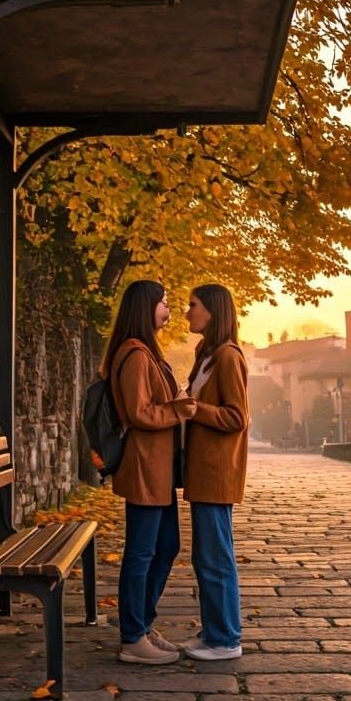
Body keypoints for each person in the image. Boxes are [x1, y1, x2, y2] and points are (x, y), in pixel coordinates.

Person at [101, 279, 196, 664]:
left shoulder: (147, 352)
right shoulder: (136, 354)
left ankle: (142, 624)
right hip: (144, 465)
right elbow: (139, 413)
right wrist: (179, 410)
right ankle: (132, 638)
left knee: (167, 546)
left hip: (158, 467)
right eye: (164, 302)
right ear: (146, 307)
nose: (169, 309)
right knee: (141, 552)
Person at [182, 283, 250, 660]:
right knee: (205, 556)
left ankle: (225, 639)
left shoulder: (228, 356)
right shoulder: (206, 353)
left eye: (193, 305)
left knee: (216, 557)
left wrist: (194, 409)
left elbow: (237, 417)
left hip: (217, 472)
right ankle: (214, 631)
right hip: (203, 470)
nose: (188, 312)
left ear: (213, 310)